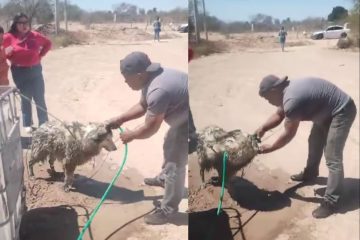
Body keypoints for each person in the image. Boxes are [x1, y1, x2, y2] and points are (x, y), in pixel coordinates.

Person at [255, 75, 356, 219]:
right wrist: (263, 128)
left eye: (267, 98)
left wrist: (271, 147)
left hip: (341, 111)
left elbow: (289, 134)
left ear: (274, 90)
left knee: (332, 157)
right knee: (314, 141)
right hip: (326, 112)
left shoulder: (292, 100)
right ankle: (310, 173)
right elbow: (279, 114)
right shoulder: (285, 92)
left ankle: (332, 202)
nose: (268, 101)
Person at [106, 51, 188, 225]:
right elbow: (144, 105)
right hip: (182, 116)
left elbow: (150, 128)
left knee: (175, 162)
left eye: (126, 77)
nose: (125, 81)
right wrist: (120, 119)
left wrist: (132, 135)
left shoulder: (159, 90)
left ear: (139, 74)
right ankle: (165, 178)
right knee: (170, 143)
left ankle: (168, 210)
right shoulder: (150, 77)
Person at [3, 13, 51, 133]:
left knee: (39, 97)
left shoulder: (34, 35)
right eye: (21, 23)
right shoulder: (8, 37)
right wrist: (6, 53)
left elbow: (48, 44)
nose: (24, 25)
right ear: (15, 24)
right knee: (26, 97)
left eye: (26, 23)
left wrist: (40, 56)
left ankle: (44, 124)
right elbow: (2, 51)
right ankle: (27, 123)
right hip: (19, 72)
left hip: (35, 70)